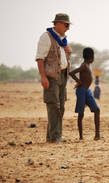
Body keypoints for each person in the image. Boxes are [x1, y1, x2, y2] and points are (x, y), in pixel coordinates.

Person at [35, 13, 72, 143]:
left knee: (61, 107)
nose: (68, 28)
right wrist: (43, 77)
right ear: (58, 24)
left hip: (62, 75)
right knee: (53, 106)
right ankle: (54, 137)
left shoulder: (62, 39)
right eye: (66, 25)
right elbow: (40, 58)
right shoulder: (46, 37)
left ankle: (54, 136)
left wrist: (68, 52)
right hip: (51, 76)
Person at [69, 47, 101, 140]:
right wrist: (78, 81)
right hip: (81, 91)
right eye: (93, 56)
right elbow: (72, 73)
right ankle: (81, 137)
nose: (94, 58)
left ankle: (97, 135)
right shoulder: (84, 66)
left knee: (97, 110)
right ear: (91, 57)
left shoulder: (88, 65)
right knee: (81, 113)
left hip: (87, 91)